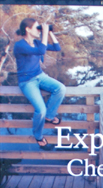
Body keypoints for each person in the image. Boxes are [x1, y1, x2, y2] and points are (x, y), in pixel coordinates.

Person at [14, 18, 66, 149]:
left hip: (40, 75)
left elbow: (57, 47)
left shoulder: (37, 42)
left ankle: (49, 116)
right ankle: (38, 135)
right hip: (27, 81)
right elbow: (41, 51)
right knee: (40, 110)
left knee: (60, 88)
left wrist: (49, 32)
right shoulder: (20, 45)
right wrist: (45, 32)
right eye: (37, 28)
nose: (39, 30)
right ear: (27, 29)